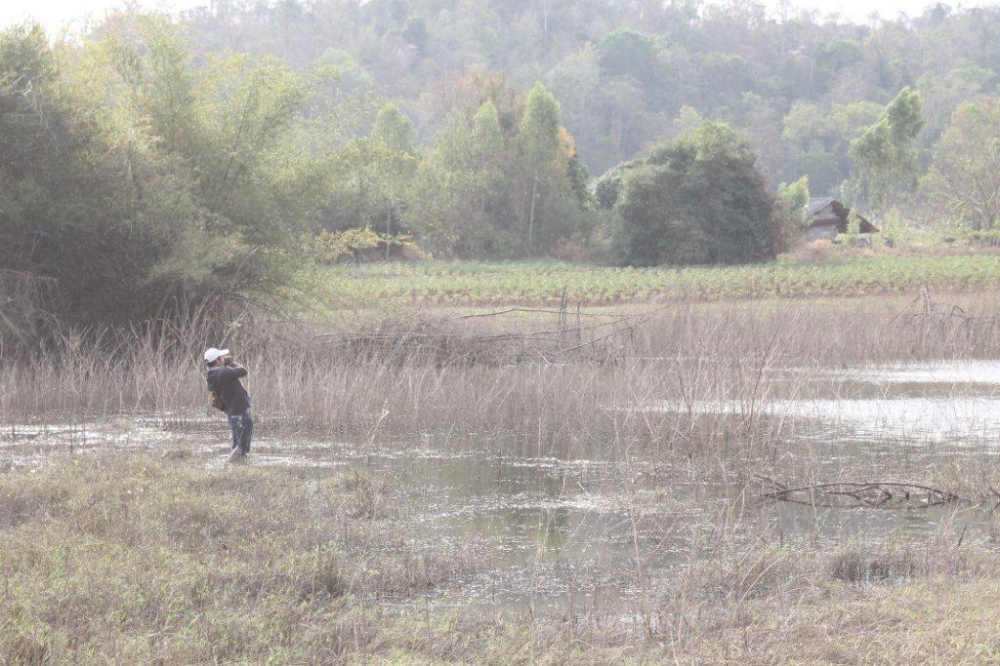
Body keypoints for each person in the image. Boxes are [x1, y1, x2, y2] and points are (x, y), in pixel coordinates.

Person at [204, 347, 254, 462]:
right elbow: (243, 371)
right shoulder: (223, 372)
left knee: (237, 444)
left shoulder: (211, 374)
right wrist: (231, 362)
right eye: (221, 357)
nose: (223, 358)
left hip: (233, 414)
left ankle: (236, 469)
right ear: (217, 360)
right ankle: (230, 466)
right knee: (242, 447)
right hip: (240, 413)